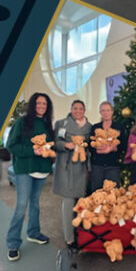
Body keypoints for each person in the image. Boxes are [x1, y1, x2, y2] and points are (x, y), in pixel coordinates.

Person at [5, 92, 54, 262]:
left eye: (44, 104)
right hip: (25, 169)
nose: (41, 106)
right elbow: (10, 145)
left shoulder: (47, 124)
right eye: (39, 103)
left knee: (35, 202)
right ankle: (12, 243)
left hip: (41, 170)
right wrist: (32, 151)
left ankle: (33, 233)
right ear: (33, 105)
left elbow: (50, 145)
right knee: (21, 205)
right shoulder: (22, 122)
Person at [53, 99, 92, 248]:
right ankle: (69, 238)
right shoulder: (61, 124)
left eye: (81, 109)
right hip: (66, 167)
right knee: (68, 203)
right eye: (75, 108)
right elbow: (56, 143)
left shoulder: (89, 127)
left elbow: (91, 145)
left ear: (84, 110)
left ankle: (80, 234)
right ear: (71, 109)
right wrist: (66, 145)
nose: (78, 111)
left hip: (82, 168)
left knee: (81, 203)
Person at [88, 101, 124, 192]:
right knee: (96, 191)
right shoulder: (95, 127)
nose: (106, 113)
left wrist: (112, 148)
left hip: (113, 165)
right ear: (100, 112)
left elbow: (123, 145)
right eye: (103, 110)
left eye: (108, 110)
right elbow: (90, 145)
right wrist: (98, 149)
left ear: (112, 111)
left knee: (112, 192)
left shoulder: (119, 127)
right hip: (97, 166)